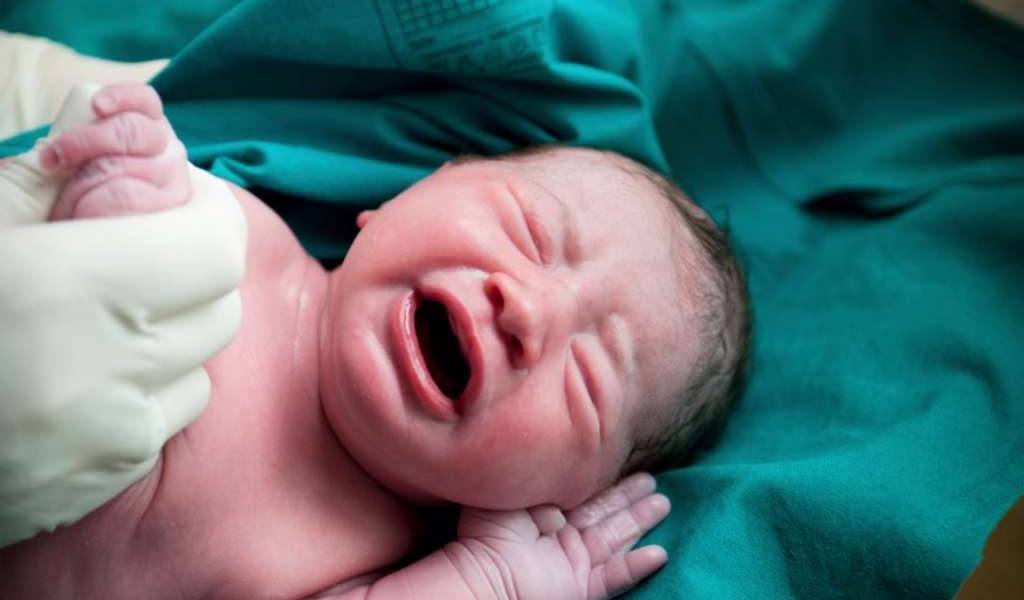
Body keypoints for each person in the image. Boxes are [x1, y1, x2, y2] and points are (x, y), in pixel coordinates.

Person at [0, 82, 750, 599]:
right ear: (405, 196)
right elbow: (105, 236)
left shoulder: (367, 555)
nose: (528, 311)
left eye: (586, 380)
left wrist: (491, 584)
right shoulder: (241, 239)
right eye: (529, 231)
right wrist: (124, 179)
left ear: (560, 495)